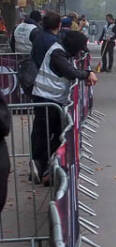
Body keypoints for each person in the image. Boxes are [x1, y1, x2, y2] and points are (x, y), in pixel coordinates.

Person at [29, 17, 97, 184]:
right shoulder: (57, 52)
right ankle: (40, 165)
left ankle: (44, 166)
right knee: (45, 134)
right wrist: (87, 74)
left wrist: (85, 73)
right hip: (46, 99)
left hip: (53, 100)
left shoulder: (62, 52)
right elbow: (70, 72)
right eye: (79, 49)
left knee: (57, 133)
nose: (80, 52)